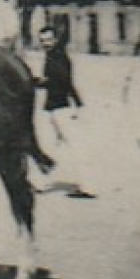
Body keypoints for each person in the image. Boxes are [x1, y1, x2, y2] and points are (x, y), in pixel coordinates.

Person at [33, 25, 94, 198]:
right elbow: (64, 83)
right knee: (49, 147)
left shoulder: (58, 58)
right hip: (53, 109)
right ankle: (41, 183)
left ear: (56, 40)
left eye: (48, 40)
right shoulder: (53, 56)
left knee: (76, 146)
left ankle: (88, 186)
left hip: (62, 110)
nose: (45, 44)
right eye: (42, 41)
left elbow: (63, 83)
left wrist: (39, 82)